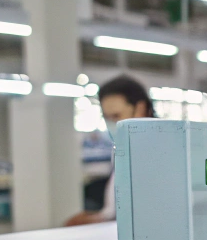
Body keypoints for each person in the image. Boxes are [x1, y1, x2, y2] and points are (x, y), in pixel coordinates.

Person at [65, 74, 153, 226]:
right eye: (107, 118)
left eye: (116, 116)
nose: (112, 123)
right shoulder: (123, 150)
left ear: (140, 108)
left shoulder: (159, 152)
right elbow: (113, 211)